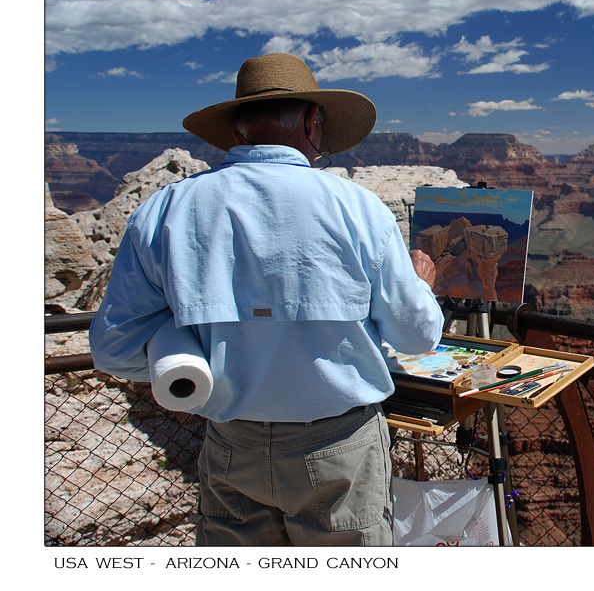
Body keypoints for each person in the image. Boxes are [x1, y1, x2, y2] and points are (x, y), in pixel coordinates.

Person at [89, 53, 444, 546]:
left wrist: (185, 343)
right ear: (311, 119)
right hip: (339, 447)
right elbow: (415, 335)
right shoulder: (357, 207)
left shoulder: (166, 209)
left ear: (236, 131)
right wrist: (421, 283)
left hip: (230, 446)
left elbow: (114, 350)